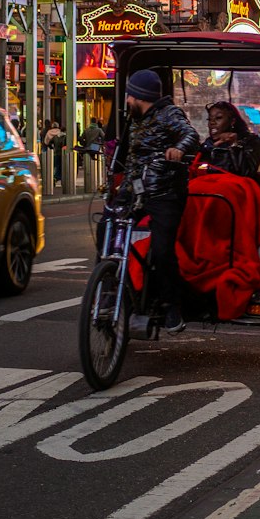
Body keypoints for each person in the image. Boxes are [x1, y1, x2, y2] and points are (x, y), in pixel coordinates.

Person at [110, 69, 200, 333]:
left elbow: (190, 135)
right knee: (108, 226)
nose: (126, 100)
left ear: (140, 96)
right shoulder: (135, 119)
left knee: (162, 250)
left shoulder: (168, 114)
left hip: (165, 192)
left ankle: (172, 306)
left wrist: (179, 149)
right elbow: (131, 156)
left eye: (129, 95)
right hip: (134, 189)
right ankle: (109, 288)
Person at [195, 102, 260, 179]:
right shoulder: (207, 145)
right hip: (207, 185)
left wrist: (234, 145)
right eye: (210, 119)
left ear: (232, 121)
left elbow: (246, 173)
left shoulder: (250, 141)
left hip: (235, 187)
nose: (212, 122)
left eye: (218, 118)